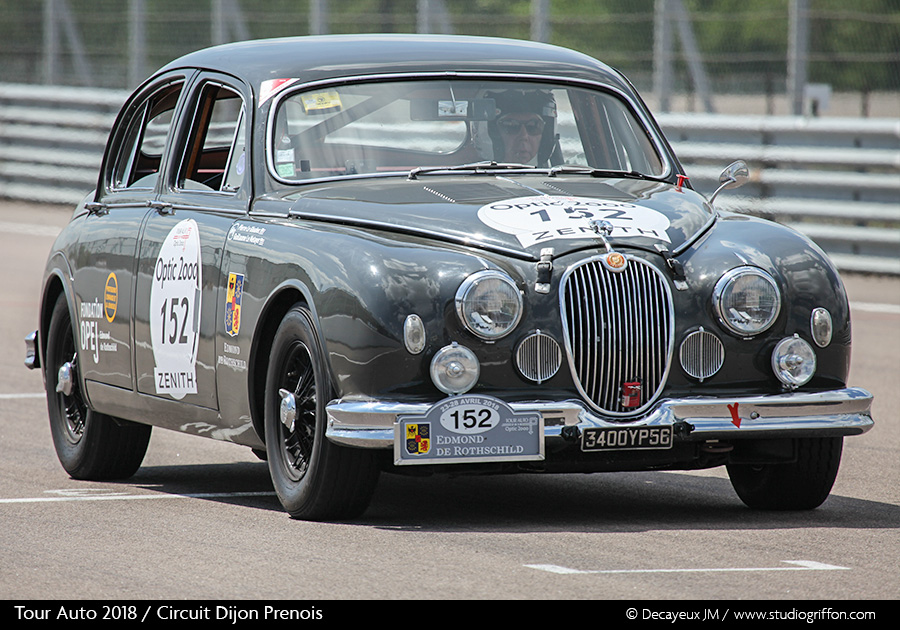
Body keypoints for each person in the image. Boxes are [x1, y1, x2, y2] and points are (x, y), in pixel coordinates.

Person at [479, 89, 559, 166]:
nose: (524, 136)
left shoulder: (556, 175)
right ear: (493, 133)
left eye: (533, 126)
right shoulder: (469, 176)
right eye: (512, 126)